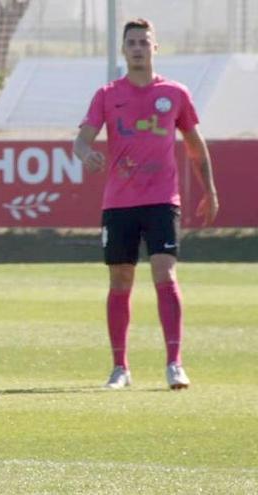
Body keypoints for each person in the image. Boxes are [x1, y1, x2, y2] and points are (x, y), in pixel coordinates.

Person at [73, 18, 219, 390]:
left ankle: (174, 364)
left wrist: (209, 190)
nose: (137, 47)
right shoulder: (107, 94)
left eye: (144, 42)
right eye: (132, 42)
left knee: (165, 275)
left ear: (155, 48)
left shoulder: (175, 93)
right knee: (120, 279)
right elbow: (81, 140)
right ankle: (120, 368)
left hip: (162, 200)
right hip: (119, 204)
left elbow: (194, 144)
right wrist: (86, 153)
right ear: (124, 50)